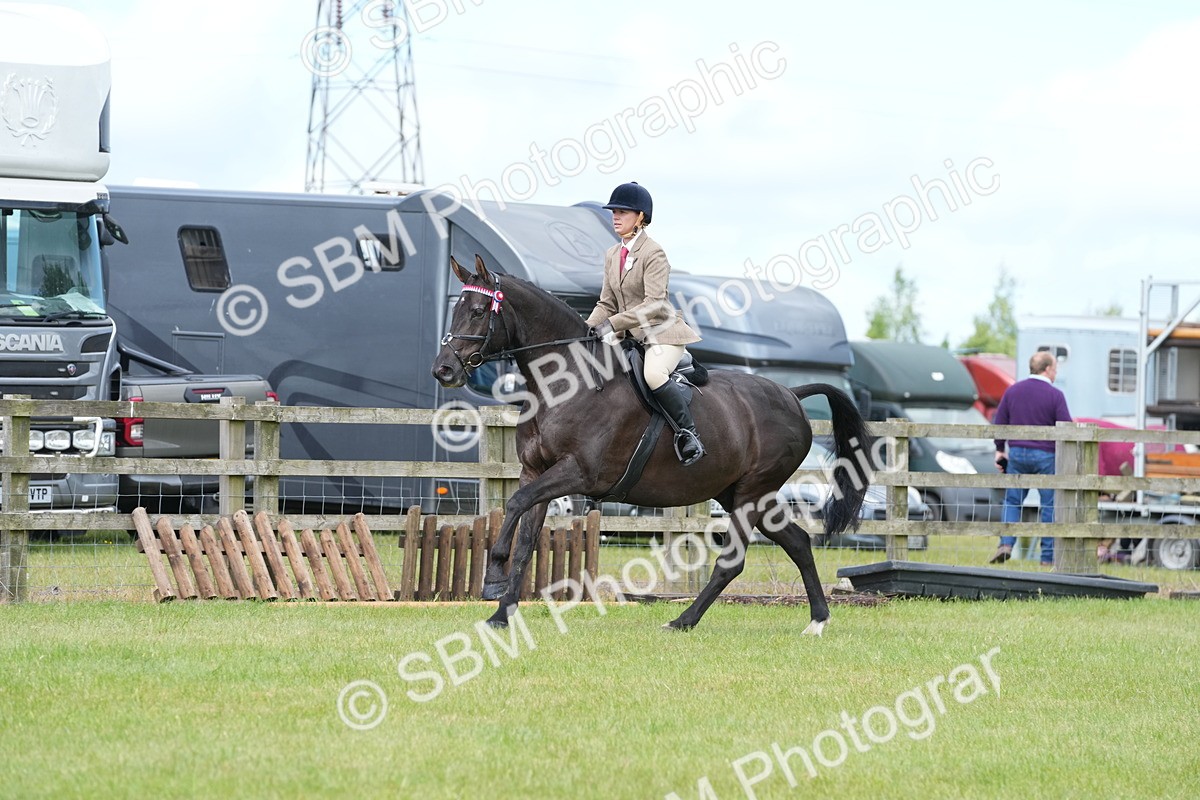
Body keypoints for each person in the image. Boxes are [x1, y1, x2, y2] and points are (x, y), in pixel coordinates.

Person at [585, 182, 706, 466]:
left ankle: (689, 434)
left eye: (623, 212)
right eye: (614, 211)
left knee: (653, 375)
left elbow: (653, 304)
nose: (615, 216)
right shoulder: (612, 254)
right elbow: (606, 303)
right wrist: (586, 329)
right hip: (631, 336)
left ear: (640, 217)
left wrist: (612, 324)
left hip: (662, 333)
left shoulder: (654, 253)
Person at [989, 351, 1073, 566]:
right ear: (1047, 369)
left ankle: (1006, 543)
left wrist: (1000, 449)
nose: (1055, 372)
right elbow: (1067, 428)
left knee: (1013, 500)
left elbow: (1000, 422)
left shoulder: (1013, 391)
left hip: (1017, 453)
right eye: (1055, 368)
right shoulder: (1055, 395)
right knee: (1049, 505)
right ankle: (1047, 557)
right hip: (1046, 455)